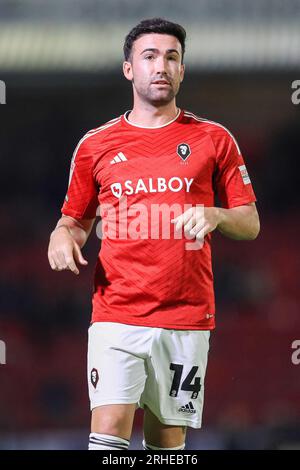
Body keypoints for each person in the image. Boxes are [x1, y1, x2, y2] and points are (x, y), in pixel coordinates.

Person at [48, 17, 260, 451]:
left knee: (166, 444)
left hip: (186, 316)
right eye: (149, 56)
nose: (161, 65)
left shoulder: (213, 139)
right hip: (117, 312)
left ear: (182, 69)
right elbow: (75, 220)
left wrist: (216, 215)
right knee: (108, 430)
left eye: (171, 57)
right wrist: (61, 235)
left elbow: (250, 222)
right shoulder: (96, 145)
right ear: (129, 68)